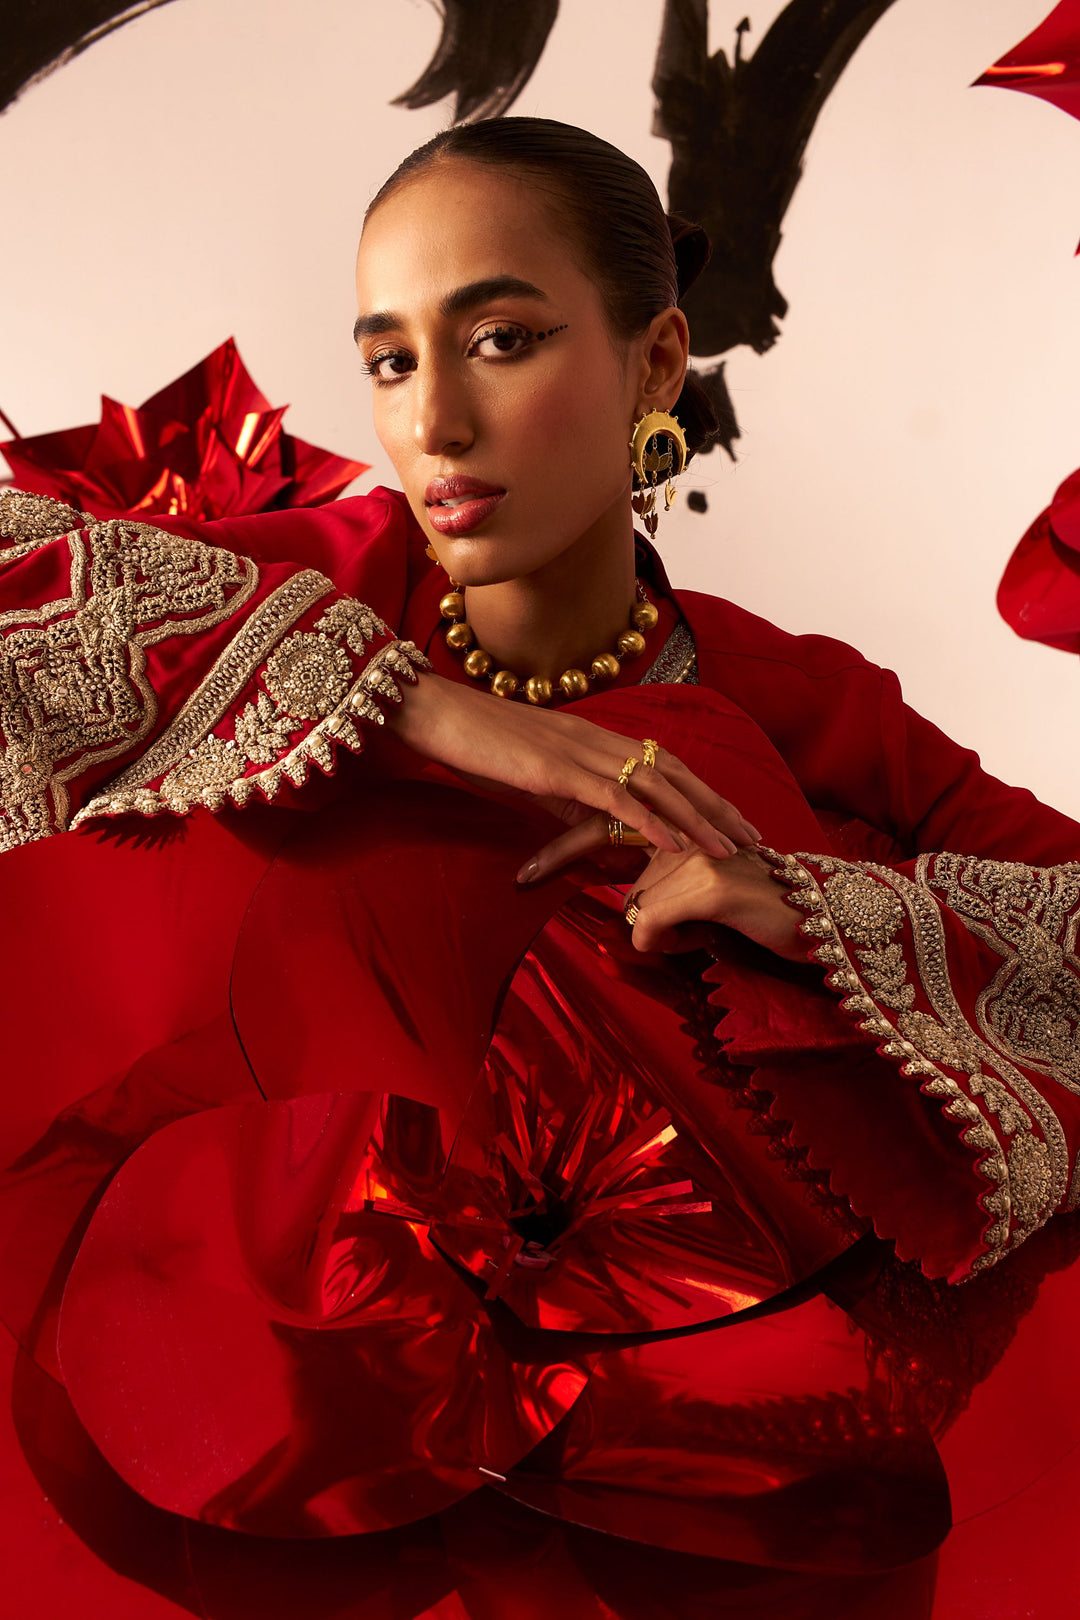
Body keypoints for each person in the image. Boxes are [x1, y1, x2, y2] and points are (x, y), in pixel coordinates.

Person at [1, 118, 1079, 1610]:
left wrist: (819, 914)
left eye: (500, 340)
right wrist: (414, 707)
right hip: (245, 1385)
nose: (436, 424)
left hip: (701, 1471)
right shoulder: (308, 589)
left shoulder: (797, 699)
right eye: (390, 361)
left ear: (655, 365)